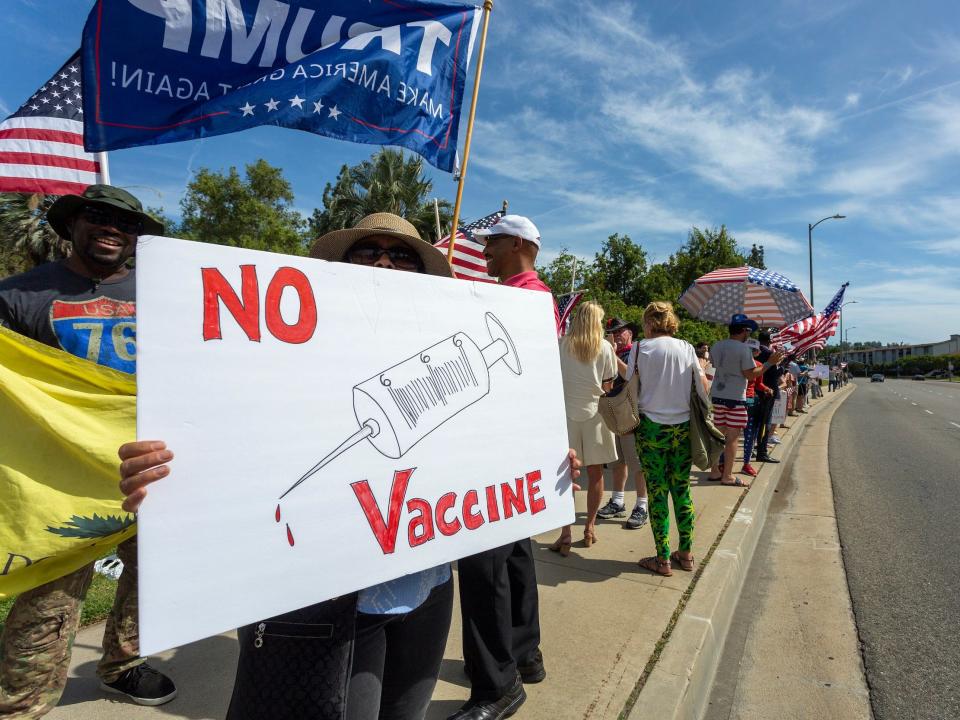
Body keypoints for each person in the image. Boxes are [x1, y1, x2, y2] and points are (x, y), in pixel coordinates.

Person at [121, 214, 458, 720]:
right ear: (340, 267)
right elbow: (219, 434)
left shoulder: (441, 353)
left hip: (425, 585)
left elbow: (477, 446)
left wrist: (539, 462)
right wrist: (162, 471)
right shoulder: (275, 352)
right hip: (330, 596)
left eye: (402, 254)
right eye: (368, 252)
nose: (386, 261)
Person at [0, 185, 177, 715]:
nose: (111, 229)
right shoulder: (20, 295)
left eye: (124, 223)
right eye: (97, 217)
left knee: (153, 577)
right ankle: (20, 703)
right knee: (50, 600)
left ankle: (123, 666)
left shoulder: (170, 292)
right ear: (72, 225)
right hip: (62, 478)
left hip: (152, 467)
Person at [439, 214, 556, 720]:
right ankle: (524, 654)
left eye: (491, 243)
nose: (484, 250)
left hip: (496, 447)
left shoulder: (517, 298)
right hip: (519, 446)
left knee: (483, 566)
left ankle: (496, 684)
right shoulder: (539, 296)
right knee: (514, 556)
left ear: (516, 244)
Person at [626, 302, 708, 577]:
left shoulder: (639, 348)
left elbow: (629, 389)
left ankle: (662, 559)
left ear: (649, 323)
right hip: (683, 428)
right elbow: (703, 387)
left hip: (651, 429)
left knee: (658, 493)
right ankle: (685, 553)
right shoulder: (686, 347)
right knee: (682, 489)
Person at [551, 302, 618, 555]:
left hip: (566, 415)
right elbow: (608, 385)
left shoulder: (562, 345)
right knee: (596, 473)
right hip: (596, 414)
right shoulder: (605, 347)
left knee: (565, 476)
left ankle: (565, 533)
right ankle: (589, 527)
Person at [708, 315, 784, 486]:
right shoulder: (742, 349)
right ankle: (727, 475)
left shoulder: (717, 346)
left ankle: (714, 471)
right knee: (733, 437)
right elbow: (750, 375)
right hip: (736, 397)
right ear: (743, 330)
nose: (749, 334)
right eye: (748, 331)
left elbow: (713, 365)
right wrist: (769, 363)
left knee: (718, 435)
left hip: (718, 396)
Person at [596, 317, 649, 530]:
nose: (617, 335)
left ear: (630, 333)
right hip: (612, 411)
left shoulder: (637, 351)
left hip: (630, 411)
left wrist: (611, 353)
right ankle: (618, 500)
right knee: (617, 460)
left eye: (621, 331)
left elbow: (631, 376)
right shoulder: (611, 352)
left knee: (636, 462)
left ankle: (642, 505)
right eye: (613, 332)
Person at [741, 341, 773, 477]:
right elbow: (759, 384)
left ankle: (724, 463)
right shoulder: (758, 365)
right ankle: (745, 464)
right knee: (749, 435)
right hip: (747, 401)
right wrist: (767, 389)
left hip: (744, 400)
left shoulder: (757, 365)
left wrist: (766, 389)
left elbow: (759, 384)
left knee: (733, 435)